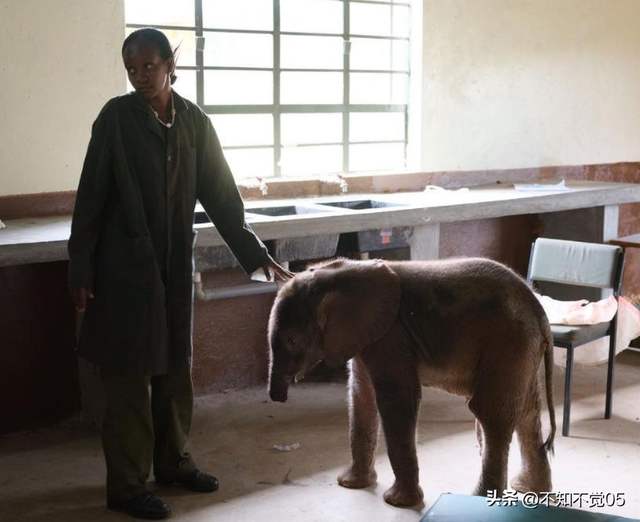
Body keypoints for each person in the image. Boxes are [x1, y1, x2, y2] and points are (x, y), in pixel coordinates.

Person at [68, 27, 292, 520]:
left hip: (173, 266)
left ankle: (172, 463)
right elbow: (89, 200)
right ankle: (127, 487)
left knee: (174, 368)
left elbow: (221, 197)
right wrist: (81, 268)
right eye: (131, 69)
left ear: (171, 64)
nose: (139, 77)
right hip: (123, 270)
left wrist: (254, 253)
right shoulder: (116, 120)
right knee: (127, 376)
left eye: (148, 66)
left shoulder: (194, 122)